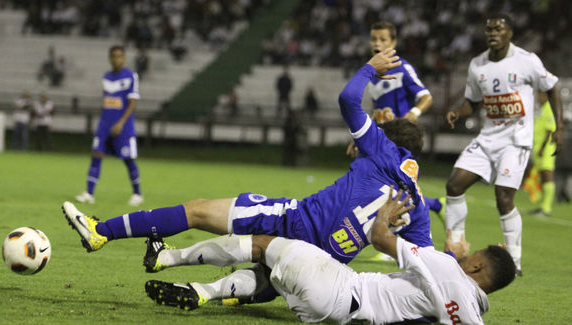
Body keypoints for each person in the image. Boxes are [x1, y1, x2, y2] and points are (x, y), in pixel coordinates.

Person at [63, 48, 434, 274]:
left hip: (298, 221)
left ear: (390, 139)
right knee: (264, 273)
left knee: (197, 212)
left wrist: (369, 67)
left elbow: (348, 100)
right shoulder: (415, 201)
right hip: (329, 266)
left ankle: (103, 232)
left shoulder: (383, 150)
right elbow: (430, 261)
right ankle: (177, 266)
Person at [144, 188, 516, 324]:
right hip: (331, 314)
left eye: (475, 254)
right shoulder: (469, 311)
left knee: (261, 243)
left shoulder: (447, 267)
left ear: (477, 265)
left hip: (341, 286)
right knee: (271, 269)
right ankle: (203, 291)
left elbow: (382, 240)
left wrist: (385, 214)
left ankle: (169, 258)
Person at [444, 13, 563, 277]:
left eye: (499, 28)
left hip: (515, 141)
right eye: (489, 29)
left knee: (503, 197)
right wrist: (457, 112)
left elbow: (552, 87)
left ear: (510, 32)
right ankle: (456, 250)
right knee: (454, 185)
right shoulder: (478, 64)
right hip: (488, 138)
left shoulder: (526, 61)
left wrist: (560, 127)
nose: (493, 33)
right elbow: (473, 102)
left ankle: (515, 260)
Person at [347, 22, 443, 261]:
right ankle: (437, 206)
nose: (377, 44)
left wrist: (414, 114)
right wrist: (359, 136)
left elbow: (426, 96)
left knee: (399, 190)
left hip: (401, 140)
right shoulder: (376, 73)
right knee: (383, 188)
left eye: (382, 39)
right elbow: (379, 110)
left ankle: (397, 243)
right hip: (380, 139)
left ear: (394, 43)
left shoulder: (402, 68)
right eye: (374, 39)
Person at [75, 45, 143, 206]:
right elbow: (108, 102)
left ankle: (137, 194)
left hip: (123, 126)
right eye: (113, 56)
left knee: (128, 159)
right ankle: (89, 193)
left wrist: (120, 123)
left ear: (124, 58)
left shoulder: (131, 76)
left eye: (119, 56)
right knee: (96, 155)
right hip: (105, 124)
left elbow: (133, 103)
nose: (116, 59)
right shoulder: (106, 77)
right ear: (109, 58)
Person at [527, 91, 557, 217]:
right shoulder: (542, 109)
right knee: (542, 176)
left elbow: (550, 130)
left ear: (546, 96)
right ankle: (543, 206)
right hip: (539, 146)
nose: (538, 98)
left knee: (547, 175)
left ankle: (546, 208)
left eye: (540, 95)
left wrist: (543, 147)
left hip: (547, 148)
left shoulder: (549, 108)